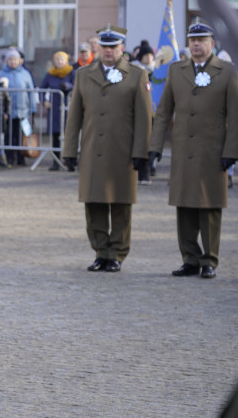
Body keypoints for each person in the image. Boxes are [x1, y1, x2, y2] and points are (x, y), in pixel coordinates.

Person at [149, 20, 238, 279]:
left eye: (202, 40)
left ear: (212, 43)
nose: (197, 44)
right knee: (184, 205)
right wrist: (154, 146)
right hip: (184, 150)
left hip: (213, 150)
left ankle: (209, 259)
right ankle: (190, 258)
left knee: (209, 207)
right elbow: (164, 111)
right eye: (192, 40)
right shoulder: (177, 70)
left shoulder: (228, 71)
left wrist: (231, 150)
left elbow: (235, 115)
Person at [62, 24, 152, 273]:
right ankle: (101, 252)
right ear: (99, 47)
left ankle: (117, 254)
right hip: (93, 150)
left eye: (113, 46)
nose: (109, 51)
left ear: (122, 48)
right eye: (105, 46)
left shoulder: (136, 74)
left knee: (121, 205)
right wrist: (69, 151)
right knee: (94, 203)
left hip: (123, 152)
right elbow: (74, 117)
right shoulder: (84, 74)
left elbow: (144, 118)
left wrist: (141, 153)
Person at [1, 48, 37, 166]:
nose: (13, 62)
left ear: (19, 61)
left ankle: (21, 158)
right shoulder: (2, 73)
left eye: (15, 59)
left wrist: (33, 109)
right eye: (10, 59)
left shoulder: (25, 73)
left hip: (23, 111)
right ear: (7, 61)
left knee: (21, 135)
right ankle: (9, 158)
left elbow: (31, 92)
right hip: (8, 112)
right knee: (9, 135)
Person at [39, 51, 74, 170]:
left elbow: (77, 87)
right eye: (58, 59)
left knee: (69, 134)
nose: (60, 62)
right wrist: (44, 101)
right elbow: (42, 88)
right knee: (55, 135)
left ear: (66, 61)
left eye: (62, 59)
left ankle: (70, 160)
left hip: (68, 108)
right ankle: (56, 161)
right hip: (54, 109)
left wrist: (69, 87)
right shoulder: (50, 74)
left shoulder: (71, 73)